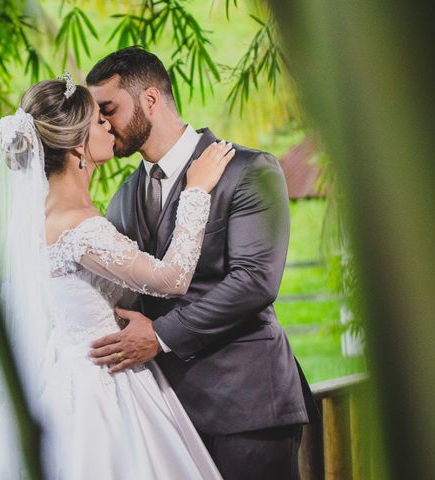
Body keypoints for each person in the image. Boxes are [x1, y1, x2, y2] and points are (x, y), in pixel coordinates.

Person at [0, 73, 235, 479]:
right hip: (102, 389)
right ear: (79, 145)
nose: (109, 125)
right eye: (99, 121)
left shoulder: (45, 218)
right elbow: (173, 278)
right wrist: (197, 191)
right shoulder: (80, 227)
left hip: (71, 377)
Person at [86, 46, 319, 480]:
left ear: (150, 100)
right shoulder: (121, 198)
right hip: (167, 416)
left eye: (108, 109)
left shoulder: (250, 171)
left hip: (249, 405)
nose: (100, 123)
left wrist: (159, 335)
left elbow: (254, 282)